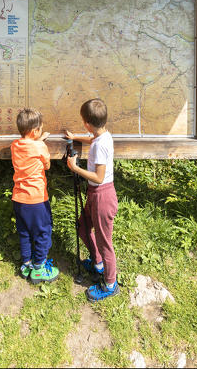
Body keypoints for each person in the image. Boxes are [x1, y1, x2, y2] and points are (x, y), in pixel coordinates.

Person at [65, 98, 119, 301]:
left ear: (87, 122)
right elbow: (92, 140)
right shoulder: (103, 135)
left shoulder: (99, 147)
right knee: (83, 226)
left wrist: (75, 167)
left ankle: (110, 284)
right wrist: (75, 136)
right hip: (96, 194)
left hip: (102, 196)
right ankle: (97, 264)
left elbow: (98, 176)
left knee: (106, 243)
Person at [11, 107, 59, 284]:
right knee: (42, 232)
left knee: (24, 232)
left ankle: (27, 264)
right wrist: (40, 142)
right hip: (37, 199)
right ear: (35, 131)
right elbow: (46, 165)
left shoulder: (15, 145)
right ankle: (39, 268)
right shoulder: (40, 146)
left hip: (18, 199)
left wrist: (38, 140)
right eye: (40, 129)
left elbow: (28, 146)